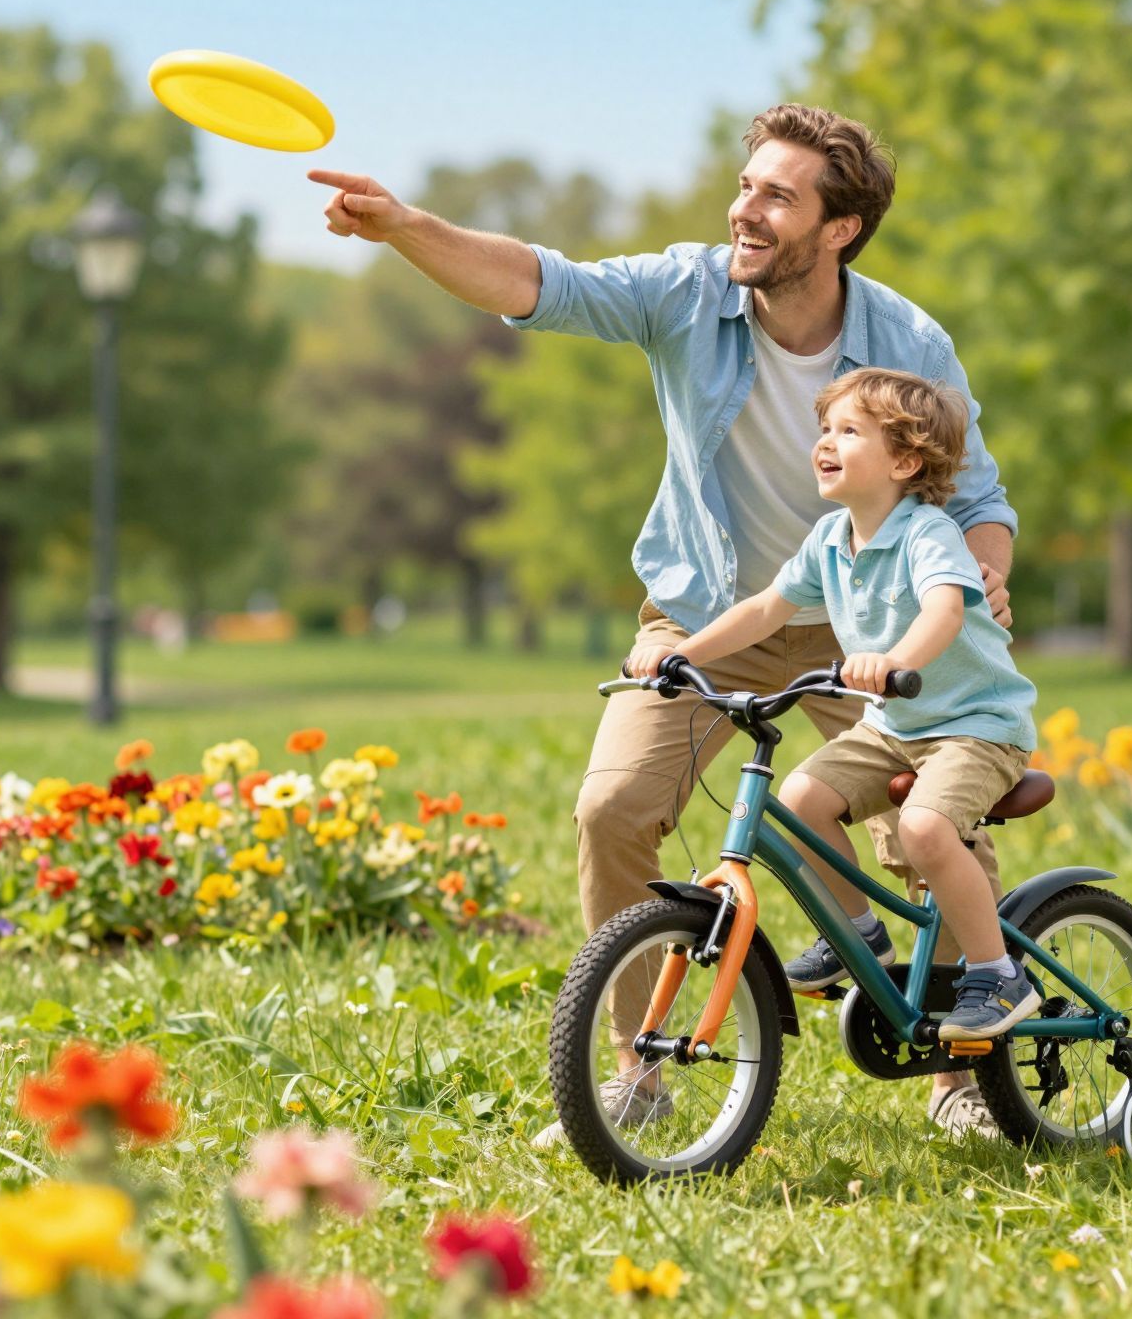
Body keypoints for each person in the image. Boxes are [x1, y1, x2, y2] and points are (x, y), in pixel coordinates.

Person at [307, 103, 1020, 1136]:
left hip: (873, 624)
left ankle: (962, 1078)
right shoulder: (688, 291)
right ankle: (637, 1074)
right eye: (746, 187)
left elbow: (978, 500)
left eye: (777, 196)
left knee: (933, 823)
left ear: (838, 230)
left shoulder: (905, 340)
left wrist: (982, 582)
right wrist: (405, 228)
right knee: (611, 811)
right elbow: (539, 283)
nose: (745, 211)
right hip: (710, 614)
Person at [632, 369, 1040, 1039]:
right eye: (825, 428)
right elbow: (766, 608)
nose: (825, 441)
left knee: (926, 830)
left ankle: (998, 975)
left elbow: (942, 609)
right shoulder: (829, 538)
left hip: (975, 728)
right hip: (895, 726)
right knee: (800, 800)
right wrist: (685, 653)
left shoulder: (926, 534)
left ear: (904, 461)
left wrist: (896, 661)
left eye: (848, 431)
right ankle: (858, 934)